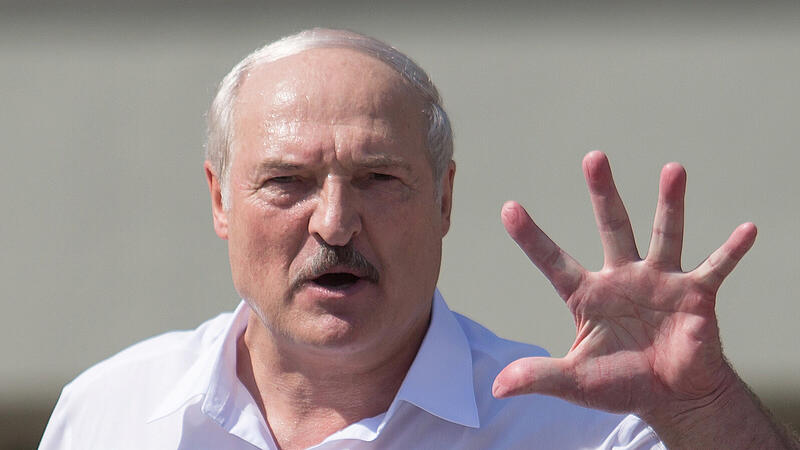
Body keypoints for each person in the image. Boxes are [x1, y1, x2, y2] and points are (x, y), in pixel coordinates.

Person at [40, 28, 798, 449]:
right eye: (287, 183)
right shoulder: (107, 414)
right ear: (220, 200)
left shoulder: (579, 435)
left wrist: (704, 411)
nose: (335, 224)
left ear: (443, 199)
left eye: (379, 179)